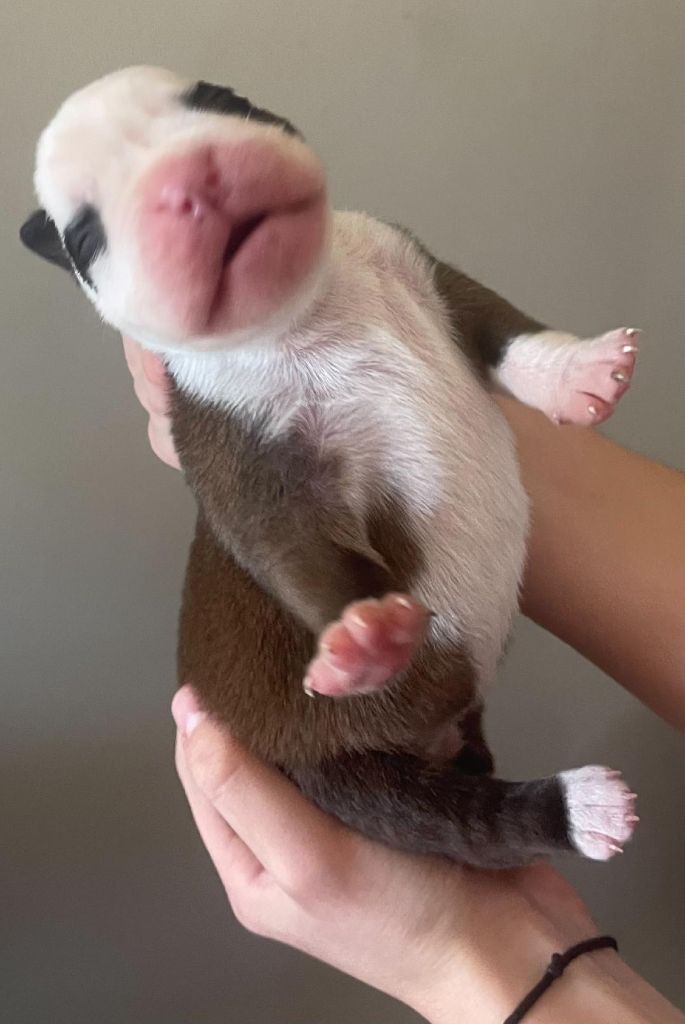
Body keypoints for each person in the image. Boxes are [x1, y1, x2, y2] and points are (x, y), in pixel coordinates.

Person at [124, 337, 684, 1023]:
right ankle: (535, 813)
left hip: (396, 661)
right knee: (411, 778)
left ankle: (522, 808)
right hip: (327, 730)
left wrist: (460, 955)